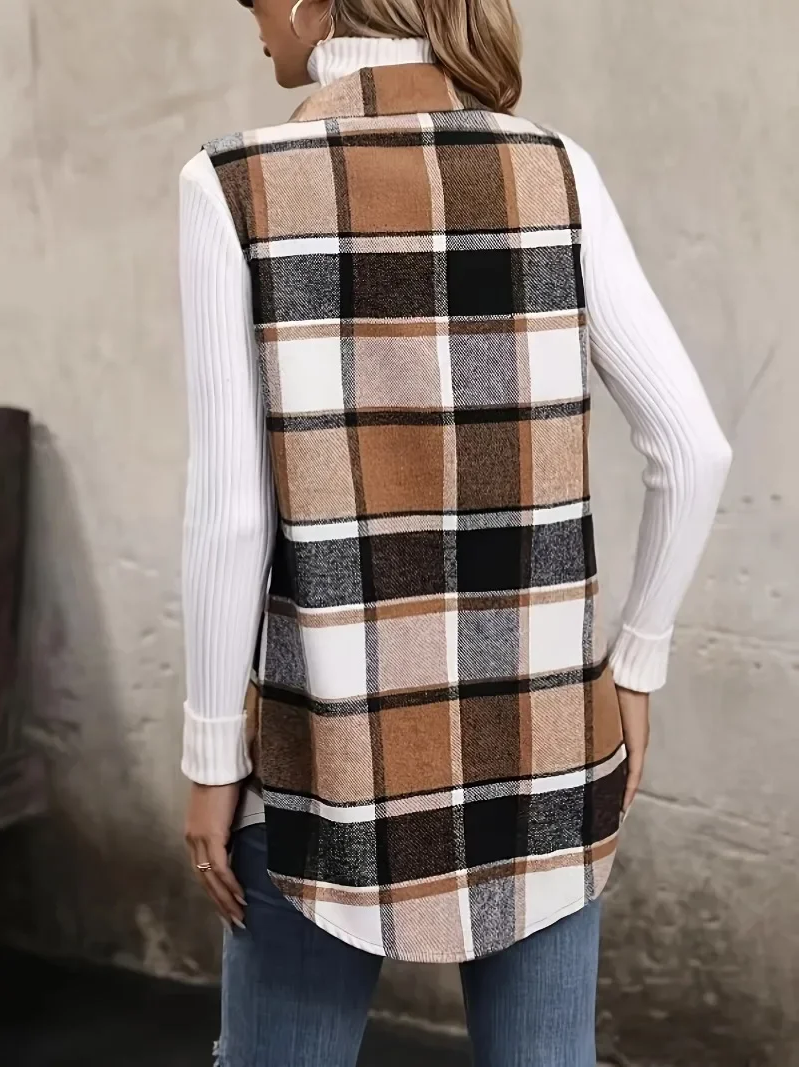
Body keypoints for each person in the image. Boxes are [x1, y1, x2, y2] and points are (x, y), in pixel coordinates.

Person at [178, 1, 732, 1064]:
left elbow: (233, 511)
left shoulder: (233, 184)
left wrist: (210, 759)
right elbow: (691, 446)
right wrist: (637, 659)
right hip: (544, 736)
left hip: (323, 744)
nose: (244, 8)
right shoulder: (555, 168)